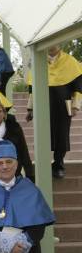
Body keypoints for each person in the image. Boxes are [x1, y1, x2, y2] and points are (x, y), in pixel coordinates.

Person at [27, 45, 82, 178]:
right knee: (43, 135)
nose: (53, 46)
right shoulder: (37, 60)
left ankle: (58, 165)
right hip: (42, 105)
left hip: (63, 106)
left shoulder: (70, 61)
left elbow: (79, 87)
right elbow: (31, 89)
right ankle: (44, 165)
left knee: (62, 136)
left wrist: (75, 106)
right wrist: (30, 109)